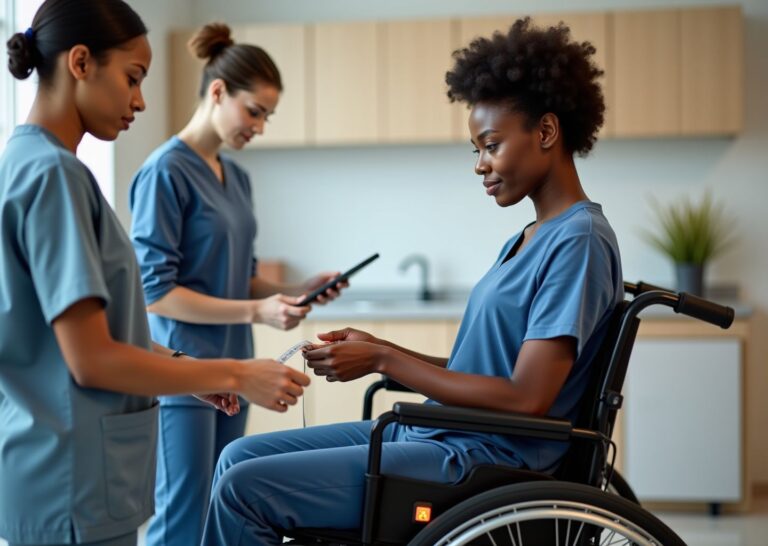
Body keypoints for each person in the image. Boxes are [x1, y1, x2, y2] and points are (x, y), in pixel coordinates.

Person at [201, 17, 624, 545]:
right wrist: (381, 345)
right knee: (237, 455)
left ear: (545, 132)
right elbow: (486, 373)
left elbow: (526, 399)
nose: (480, 165)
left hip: (479, 459)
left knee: (245, 488)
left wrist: (383, 361)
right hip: (439, 433)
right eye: (476, 150)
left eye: (490, 145)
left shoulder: (578, 240)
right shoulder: (530, 237)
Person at [0, 2, 310, 545]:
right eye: (133, 78)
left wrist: (198, 367)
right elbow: (93, 358)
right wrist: (233, 374)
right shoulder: (54, 176)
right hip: (70, 474)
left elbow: (110, 329)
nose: (141, 101)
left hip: (66, 468)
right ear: (80, 63)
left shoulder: (34, 164)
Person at [128, 23, 344, 546]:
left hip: (233, 368)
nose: (261, 127)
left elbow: (241, 277)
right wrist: (257, 312)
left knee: (217, 512)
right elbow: (157, 292)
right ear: (218, 92)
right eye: (255, 111)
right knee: (182, 517)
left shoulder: (236, 177)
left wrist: (294, 288)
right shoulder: (165, 172)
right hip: (185, 370)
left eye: (268, 116)